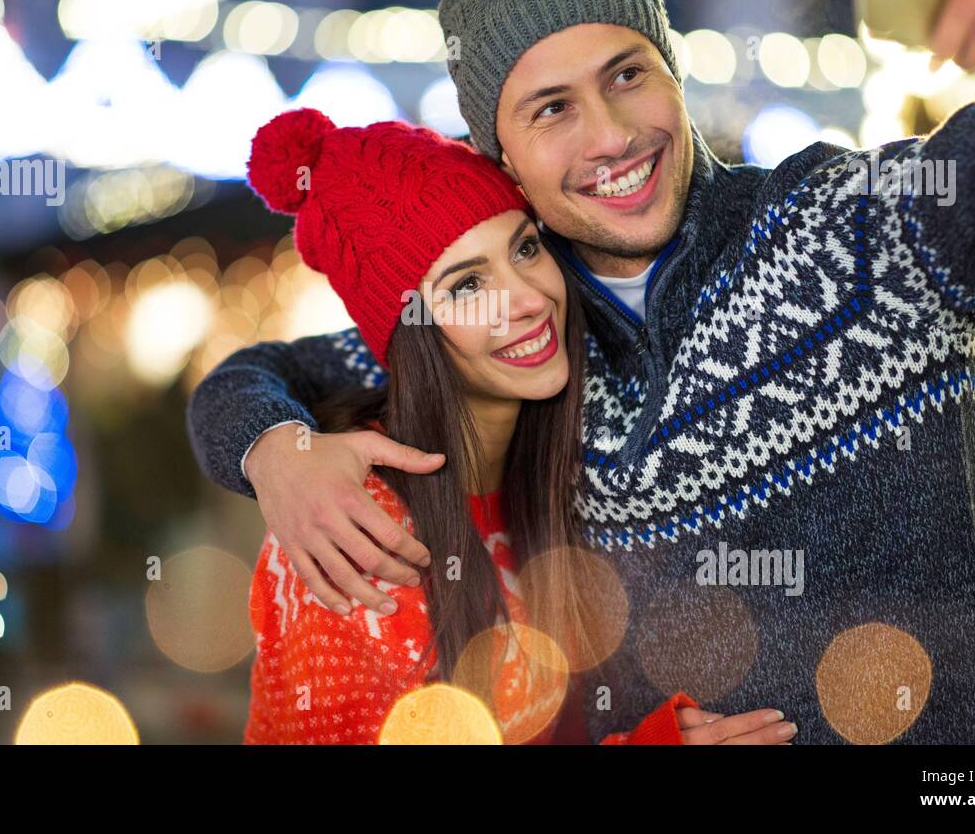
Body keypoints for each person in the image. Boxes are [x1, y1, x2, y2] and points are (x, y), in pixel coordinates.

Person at [191, 0, 975, 744]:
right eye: (552, 108)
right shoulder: (526, 327)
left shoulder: (865, 236)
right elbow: (260, 375)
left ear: (671, 72)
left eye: (628, 75)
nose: (612, 135)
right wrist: (274, 451)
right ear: (499, 157)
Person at [239, 108, 795, 745]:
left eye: (525, 248)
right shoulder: (358, 531)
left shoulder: (556, 458)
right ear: (409, 333)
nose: (528, 299)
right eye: (469, 284)